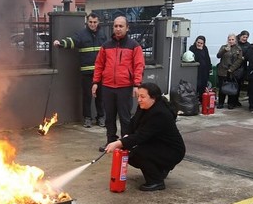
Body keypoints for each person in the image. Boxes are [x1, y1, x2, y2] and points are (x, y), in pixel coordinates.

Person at [104, 82, 186, 191]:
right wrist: (125, 136)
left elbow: (141, 136)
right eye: (138, 96)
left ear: (154, 98)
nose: (139, 100)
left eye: (142, 97)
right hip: (157, 144)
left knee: (138, 153)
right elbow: (133, 123)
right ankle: (160, 170)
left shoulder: (160, 114)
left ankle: (156, 181)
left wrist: (119, 143)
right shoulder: (144, 106)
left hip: (172, 151)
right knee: (129, 152)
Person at [93, 15, 145, 150]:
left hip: (125, 87)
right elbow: (99, 65)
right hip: (107, 86)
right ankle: (110, 142)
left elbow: (139, 66)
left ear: (127, 28)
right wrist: (95, 82)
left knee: (125, 118)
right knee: (109, 117)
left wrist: (136, 85)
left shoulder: (134, 46)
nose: (118, 29)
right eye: (115, 26)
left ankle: (125, 143)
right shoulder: (106, 46)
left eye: (121, 26)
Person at [53, 12, 108, 128]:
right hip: (87, 72)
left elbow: (108, 51)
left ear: (98, 23)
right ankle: (87, 118)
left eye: (95, 22)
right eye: (90, 22)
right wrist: (61, 43)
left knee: (101, 96)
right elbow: (72, 41)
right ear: (87, 22)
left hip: (100, 73)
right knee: (87, 96)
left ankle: (101, 118)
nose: (92, 24)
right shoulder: (82, 34)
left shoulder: (102, 35)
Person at [216, 33, 244, 109]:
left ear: (235, 40)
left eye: (232, 39)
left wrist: (231, 68)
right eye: (229, 39)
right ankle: (221, 103)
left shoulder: (238, 49)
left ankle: (231, 103)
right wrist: (224, 51)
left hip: (232, 71)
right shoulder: (224, 47)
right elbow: (218, 56)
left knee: (231, 88)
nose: (231, 41)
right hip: (222, 71)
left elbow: (239, 60)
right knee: (222, 88)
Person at [188, 35, 212, 101]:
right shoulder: (192, 48)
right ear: (196, 41)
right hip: (196, 69)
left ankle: (202, 99)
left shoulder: (205, 48)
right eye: (198, 42)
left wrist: (210, 68)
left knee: (203, 85)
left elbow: (207, 58)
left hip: (204, 70)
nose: (199, 44)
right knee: (197, 84)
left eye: (201, 43)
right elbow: (194, 58)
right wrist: (199, 51)